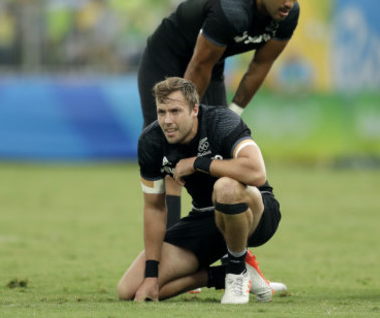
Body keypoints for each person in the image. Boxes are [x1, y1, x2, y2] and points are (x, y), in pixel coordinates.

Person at [137, 0, 308, 228]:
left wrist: (233, 113)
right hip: (166, 57)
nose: (290, 3)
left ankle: (221, 241)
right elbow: (197, 65)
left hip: (210, 62)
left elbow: (260, 66)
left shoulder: (288, 15)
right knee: (169, 149)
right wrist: (184, 120)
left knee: (221, 148)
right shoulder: (232, 9)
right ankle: (169, 238)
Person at [118, 77, 281, 304]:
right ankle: (219, 276)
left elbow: (256, 172)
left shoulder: (220, 121)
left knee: (225, 187)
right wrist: (152, 275)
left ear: (194, 109)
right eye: (161, 112)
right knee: (131, 291)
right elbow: (154, 208)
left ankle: (236, 272)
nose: (167, 120)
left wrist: (197, 163)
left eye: (175, 111)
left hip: (257, 212)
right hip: (205, 218)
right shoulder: (151, 142)